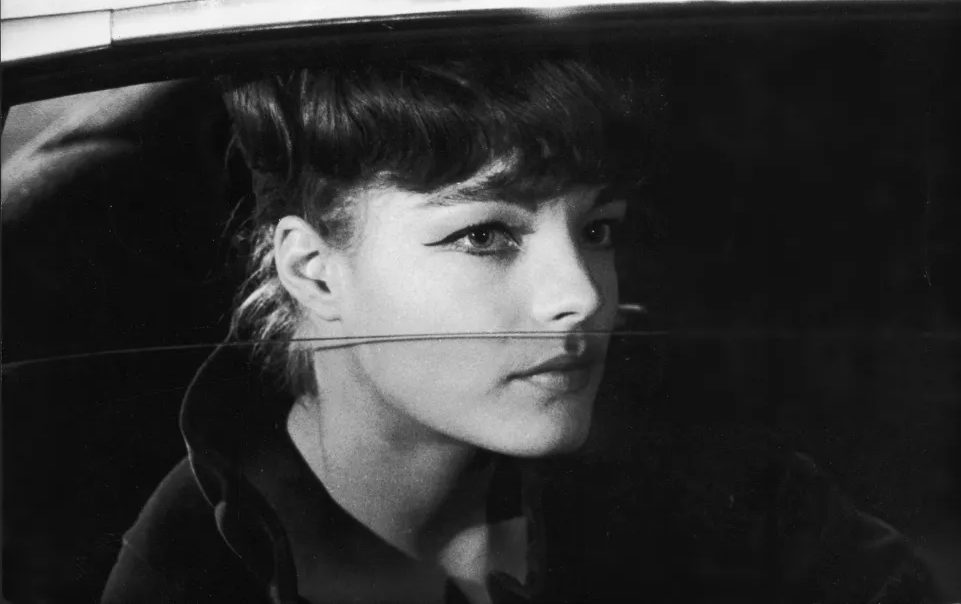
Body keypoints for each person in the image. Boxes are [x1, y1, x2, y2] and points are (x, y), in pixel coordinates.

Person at [100, 53, 946, 604]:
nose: (579, 295)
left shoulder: (704, 476)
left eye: (597, 228)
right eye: (484, 236)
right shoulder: (190, 568)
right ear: (313, 270)